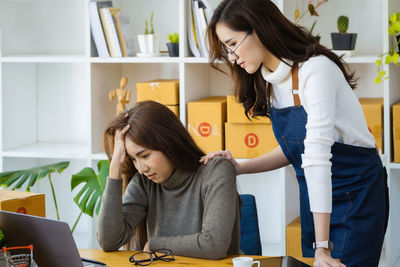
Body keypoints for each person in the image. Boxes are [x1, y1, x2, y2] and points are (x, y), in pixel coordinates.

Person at [202, 0, 388, 266]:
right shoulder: (269, 79)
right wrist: (239, 167)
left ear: (259, 28)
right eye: (226, 49)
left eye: (232, 44)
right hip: (315, 199)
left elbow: (316, 157)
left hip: (355, 196)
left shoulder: (316, 70)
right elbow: (296, 150)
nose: (232, 57)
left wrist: (322, 248)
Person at [97, 100, 240, 260]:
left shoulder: (216, 170)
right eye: (133, 159)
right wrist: (115, 164)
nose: (141, 168)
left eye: (145, 156)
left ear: (168, 142)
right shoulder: (145, 182)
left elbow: (214, 245)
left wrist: (155, 245)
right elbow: (108, 241)